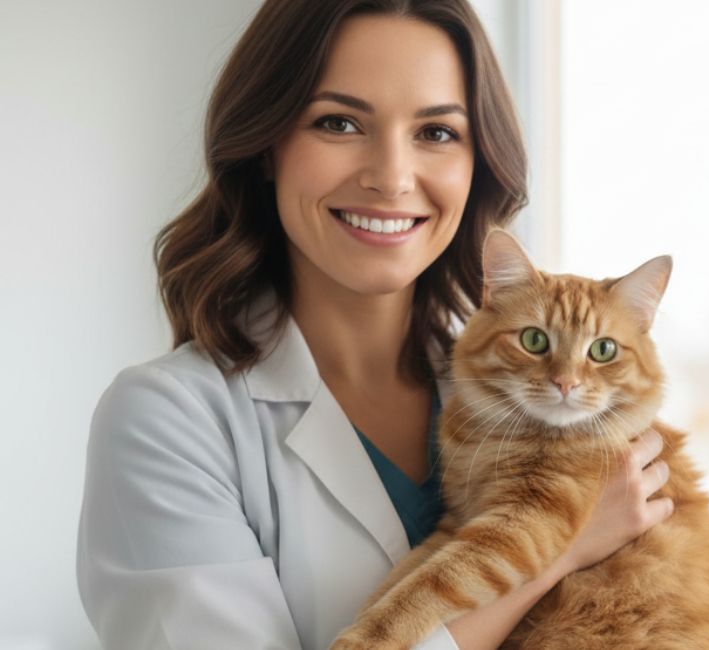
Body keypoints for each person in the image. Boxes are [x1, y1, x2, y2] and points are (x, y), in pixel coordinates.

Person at [75, 1, 674, 648]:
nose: (391, 178)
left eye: (437, 133)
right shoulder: (166, 420)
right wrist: (557, 555)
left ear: (478, 164)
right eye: (339, 122)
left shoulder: (530, 388)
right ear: (267, 146)